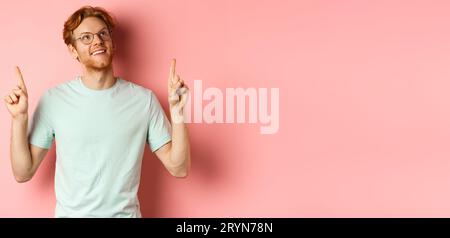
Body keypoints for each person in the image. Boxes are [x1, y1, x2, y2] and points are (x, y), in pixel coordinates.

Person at [3, 6, 191, 218]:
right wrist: (19, 119)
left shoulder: (143, 100)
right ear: (73, 50)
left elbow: (179, 168)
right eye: (86, 37)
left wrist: (178, 113)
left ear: (112, 42)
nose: (98, 41)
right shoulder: (54, 100)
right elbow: (22, 172)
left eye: (103, 34)